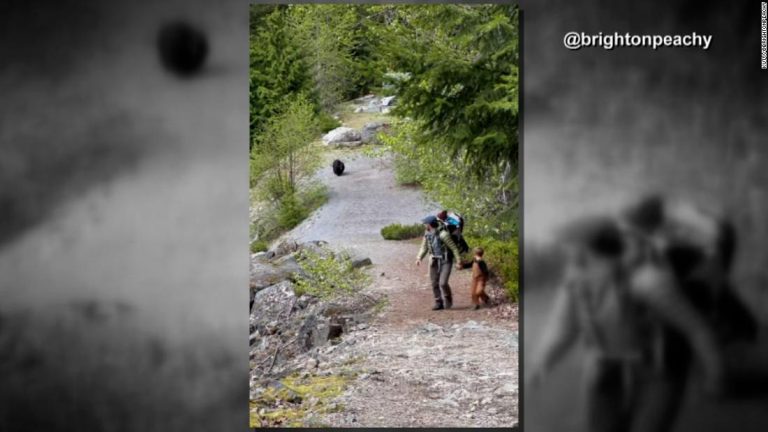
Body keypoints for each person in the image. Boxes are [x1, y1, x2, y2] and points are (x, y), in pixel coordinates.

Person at [529, 215, 723, 432]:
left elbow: (695, 328)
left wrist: (715, 375)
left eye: (576, 253)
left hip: (656, 371)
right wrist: (543, 359)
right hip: (606, 367)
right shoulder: (576, 283)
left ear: (593, 251)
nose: (570, 261)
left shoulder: (646, 281)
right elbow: (563, 325)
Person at [416, 215, 463, 310]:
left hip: (446, 260)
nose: (424, 225)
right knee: (434, 283)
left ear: (429, 224)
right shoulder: (427, 234)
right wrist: (419, 257)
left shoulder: (443, 234)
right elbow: (424, 247)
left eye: (425, 223)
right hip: (434, 260)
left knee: (443, 283)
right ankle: (438, 302)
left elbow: (454, 248)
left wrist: (458, 261)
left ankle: (448, 299)